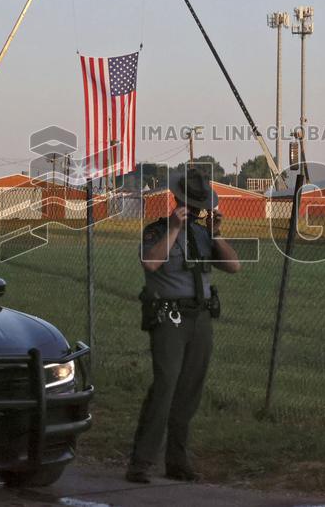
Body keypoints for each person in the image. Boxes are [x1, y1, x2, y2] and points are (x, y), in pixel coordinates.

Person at [126, 169, 241, 484]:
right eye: (194, 203)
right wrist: (174, 228)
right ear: (178, 201)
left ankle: (177, 461)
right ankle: (141, 462)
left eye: (203, 204)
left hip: (200, 318)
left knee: (189, 391)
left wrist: (217, 233)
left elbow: (233, 266)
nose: (200, 209)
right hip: (169, 318)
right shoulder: (158, 230)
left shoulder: (205, 232)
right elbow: (150, 262)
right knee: (165, 387)